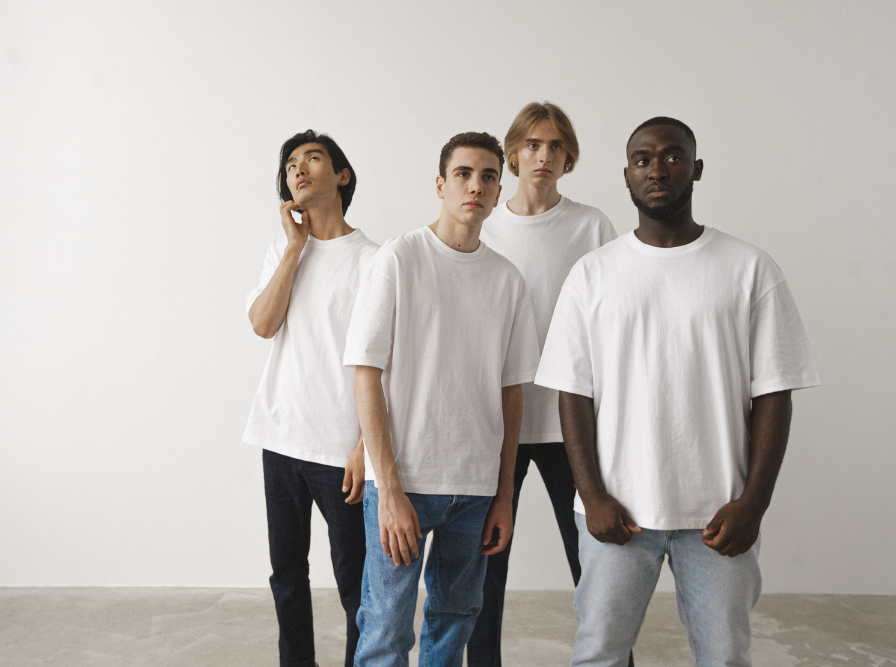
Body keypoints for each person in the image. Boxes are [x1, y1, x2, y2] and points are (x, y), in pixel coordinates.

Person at [535, 117, 820, 666]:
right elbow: (573, 394)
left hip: (718, 515)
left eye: (672, 156)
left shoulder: (749, 269)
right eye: (643, 159)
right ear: (626, 174)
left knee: (725, 656)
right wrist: (591, 495)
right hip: (617, 512)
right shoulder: (593, 274)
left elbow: (775, 394)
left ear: (697, 168)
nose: (657, 169)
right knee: (598, 653)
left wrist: (754, 504)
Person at [343, 132, 540, 666]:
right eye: (463, 174)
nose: (475, 186)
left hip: (474, 493)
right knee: (384, 630)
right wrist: (388, 489)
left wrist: (504, 494)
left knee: (453, 625)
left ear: (499, 192)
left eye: (488, 177)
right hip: (406, 482)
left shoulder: (506, 280)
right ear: (440, 184)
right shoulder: (399, 259)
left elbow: (510, 391)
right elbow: (366, 374)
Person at [469, 101, 619, 667]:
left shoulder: (591, 226)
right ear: (512, 153)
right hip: (495, 422)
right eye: (532, 145)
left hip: (570, 424)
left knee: (596, 564)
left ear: (569, 157)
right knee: (486, 569)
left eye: (556, 146)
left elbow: (611, 321)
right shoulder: (484, 223)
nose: (544, 156)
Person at [245, 130, 378, 667]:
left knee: (357, 584)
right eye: (291, 164)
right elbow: (262, 323)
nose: (297, 170)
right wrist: (296, 250)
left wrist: (366, 445)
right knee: (287, 577)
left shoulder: (375, 260)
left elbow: (391, 367)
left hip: (342, 451)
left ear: (342, 176)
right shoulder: (283, 250)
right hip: (279, 439)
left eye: (312, 159)